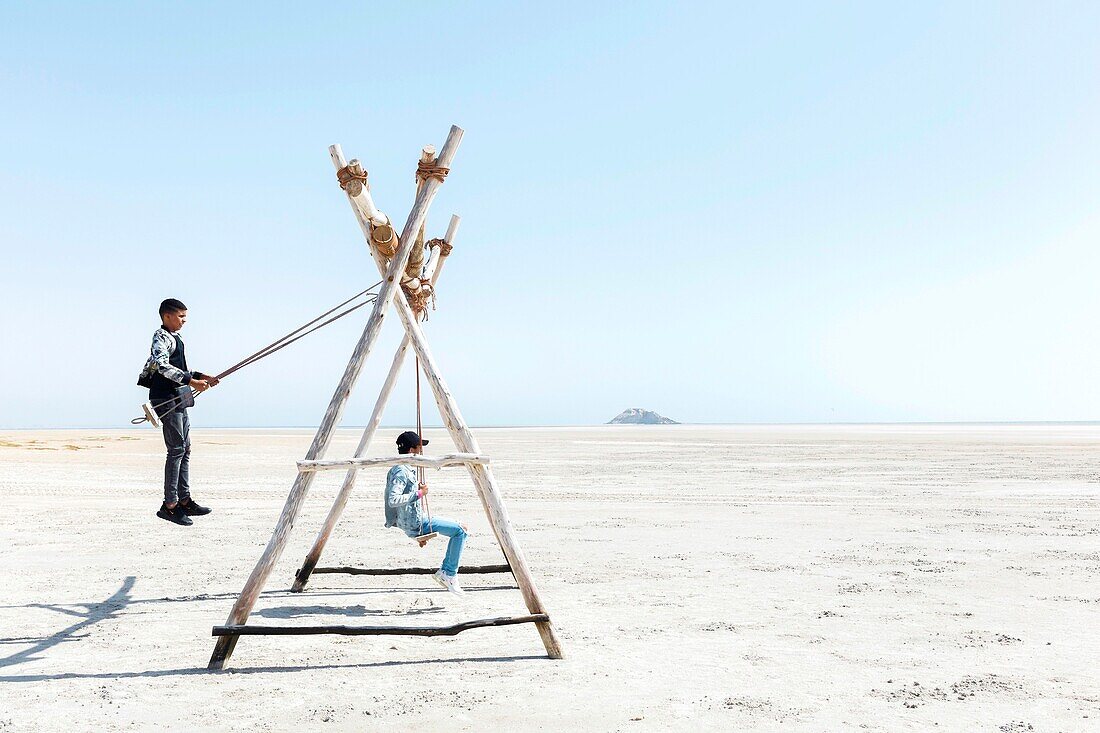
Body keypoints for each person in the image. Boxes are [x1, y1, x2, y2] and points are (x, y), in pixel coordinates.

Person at [143, 298, 218, 526]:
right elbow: (163, 366)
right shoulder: (161, 336)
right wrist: (192, 382)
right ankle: (170, 506)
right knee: (176, 450)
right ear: (167, 316)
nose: (184, 321)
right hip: (165, 397)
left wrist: (202, 377)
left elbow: (182, 368)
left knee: (185, 449)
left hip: (177, 395)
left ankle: (184, 500)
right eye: (181, 317)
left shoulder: (176, 338)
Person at [384, 431, 468, 595]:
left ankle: (447, 573)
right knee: (461, 530)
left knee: (459, 529)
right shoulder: (401, 471)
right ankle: (448, 574)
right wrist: (420, 493)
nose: (421, 452)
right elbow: (393, 500)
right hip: (416, 523)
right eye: (419, 448)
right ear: (411, 451)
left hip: (411, 522)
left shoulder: (399, 468)